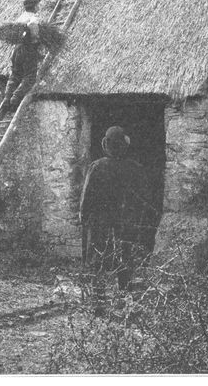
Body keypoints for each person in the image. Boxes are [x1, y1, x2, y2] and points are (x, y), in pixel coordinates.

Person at [80, 126, 152, 310]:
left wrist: (84, 216)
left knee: (98, 256)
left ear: (106, 146)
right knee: (125, 255)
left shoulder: (97, 167)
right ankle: (123, 296)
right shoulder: (135, 168)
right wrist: (138, 218)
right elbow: (144, 198)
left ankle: (98, 299)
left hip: (100, 219)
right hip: (125, 218)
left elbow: (86, 197)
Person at [2, 0, 42, 112]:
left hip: (17, 50)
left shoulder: (20, 17)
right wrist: (35, 39)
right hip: (28, 49)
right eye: (38, 5)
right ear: (34, 6)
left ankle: (7, 97)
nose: (38, 7)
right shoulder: (33, 17)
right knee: (29, 76)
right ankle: (16, 97)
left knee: (15, 75)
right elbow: (32, 26)